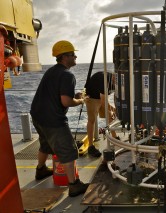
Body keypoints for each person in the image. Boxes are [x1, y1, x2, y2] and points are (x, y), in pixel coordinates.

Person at [30, 40, 89, 197]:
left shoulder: (52, 71)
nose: (75, 56)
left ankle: (40, 169)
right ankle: (74, 185)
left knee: (45, 143)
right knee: (68, 151)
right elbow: (66, 102)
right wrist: (81, 100)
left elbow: (57, 94)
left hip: (37, 115)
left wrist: (74, 96)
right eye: (72, 54)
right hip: (53, 120)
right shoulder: (67, 75)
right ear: (64, 57)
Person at [84, 71, 117, 157]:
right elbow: (103, 103)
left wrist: (115, 109)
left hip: (102, 96)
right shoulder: (105, 81)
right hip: (92, 97)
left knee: (110, 116)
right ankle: (91, 147)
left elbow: (114, 97)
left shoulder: (118, 81)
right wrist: (113, 110)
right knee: (92, 120)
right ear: (113, 77)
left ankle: (114, 138)